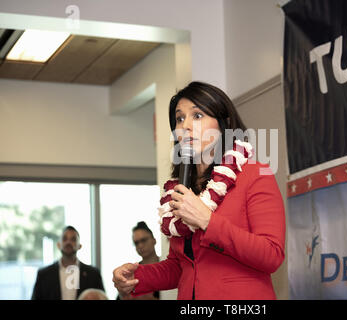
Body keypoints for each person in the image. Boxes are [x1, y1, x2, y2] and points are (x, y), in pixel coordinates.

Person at [112, 81, 285, 300]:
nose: (185, 126)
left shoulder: (255, 175)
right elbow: (181, 267)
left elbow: (272, 255)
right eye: (180, 118)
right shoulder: (182, 188)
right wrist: (136, 277)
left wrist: (208, 222)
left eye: (197, 116)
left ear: (224, 123)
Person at [31, 226, 105, 300]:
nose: (68, 242)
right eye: (64, 239)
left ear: (79, 246)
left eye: (73, 239)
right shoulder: (44, 274)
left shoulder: (93, 274)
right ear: (59, 245)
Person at [117, 221, 160, 300]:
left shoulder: (167, 266)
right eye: (136, 243)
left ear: (154, 240)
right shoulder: (132, 271)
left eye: (143, 240)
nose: (140, 245)